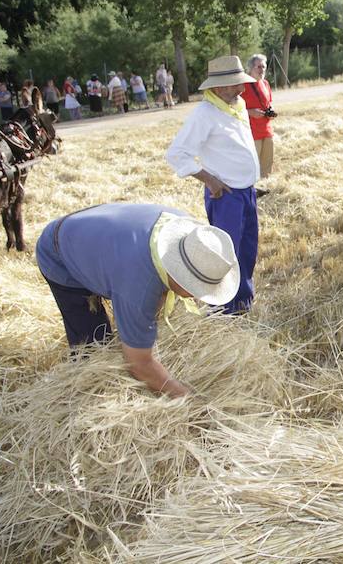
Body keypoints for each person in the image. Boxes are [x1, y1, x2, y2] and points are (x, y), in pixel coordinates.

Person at [35, 203, 241, 399]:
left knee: (129, 328)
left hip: (95, 233)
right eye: (197, 288)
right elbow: (139, 364)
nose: (197, 296)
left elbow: (152, 284)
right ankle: (79, 396)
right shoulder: (138, 286)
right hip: (58, 251)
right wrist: (186, 398)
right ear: (179, 275)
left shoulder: (185, 236)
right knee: (94, 347)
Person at [166, 55, 260, 314]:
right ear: (218, 88)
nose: (241, 89)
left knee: (248, 250)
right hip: (226, 195)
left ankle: (242, 303)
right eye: (235, 84)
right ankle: (221, 309)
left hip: (246, 191)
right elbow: (177, 154)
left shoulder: (236, 105)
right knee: (224, 256)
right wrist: (209, 179)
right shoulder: (204, 114)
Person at [242, 54, 276, 188]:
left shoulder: (266, 83)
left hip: (267, 130)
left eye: (264, 66)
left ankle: (266, 188)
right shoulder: (242, 85)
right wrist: (250, 112)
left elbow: (269, 102)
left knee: (267, 163)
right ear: (250, 68)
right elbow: (232, 109)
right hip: (251, 132)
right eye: (258, 66)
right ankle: (253, 190)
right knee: (253, 165)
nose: (262, 70)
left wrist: (271, 110)